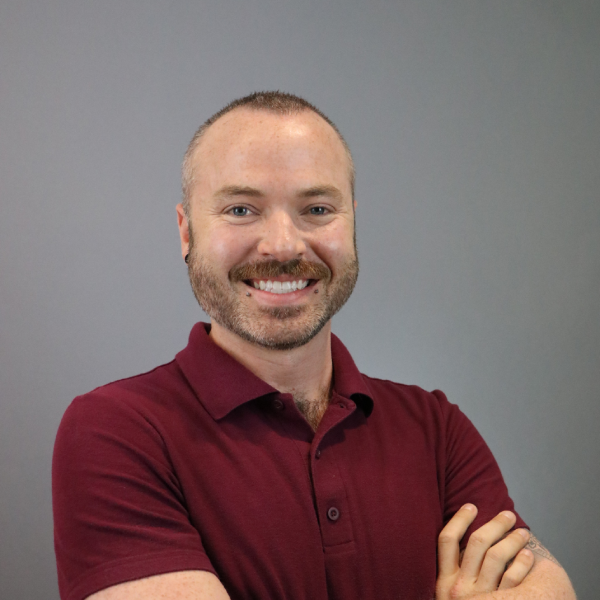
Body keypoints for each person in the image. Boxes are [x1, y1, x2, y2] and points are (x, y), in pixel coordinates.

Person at [52, 92, 576, 600]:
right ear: (186, 232)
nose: (283, 244)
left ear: (352, 222)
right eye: (240, 210)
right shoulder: (114, 432)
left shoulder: (437, 429)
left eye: (318, 209)